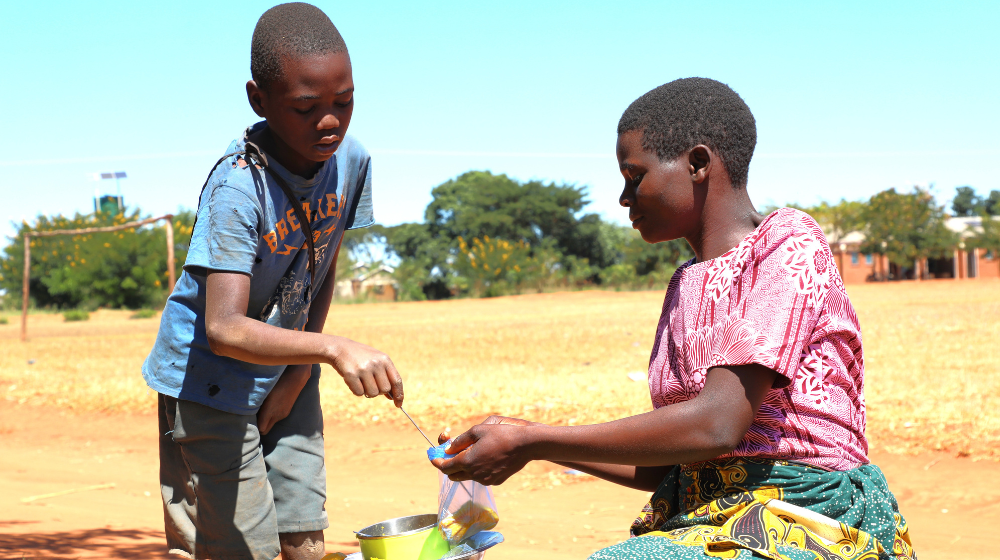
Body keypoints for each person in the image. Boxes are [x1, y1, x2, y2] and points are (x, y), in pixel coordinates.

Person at [432, 78, 915, 560]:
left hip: (806, 512)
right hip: (712, 514)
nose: (624, 198)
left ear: (698, 164)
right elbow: (672, 464)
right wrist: (525, 442)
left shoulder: (786, 243)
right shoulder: (685, 284)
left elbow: (717, 426)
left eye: (634, 175)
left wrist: (534, 437)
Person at [141, 4, 404, 559]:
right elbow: (224, 328)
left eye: (345, 102)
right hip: (208, 383)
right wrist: (332, 348)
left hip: (289, 367)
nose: (329, 121)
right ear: (259, 99)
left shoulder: (350, 161)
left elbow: (322, 262)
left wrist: (299, 372)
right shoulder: (238, 188)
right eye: (306, 108)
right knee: (241, 548)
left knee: (304, 538)